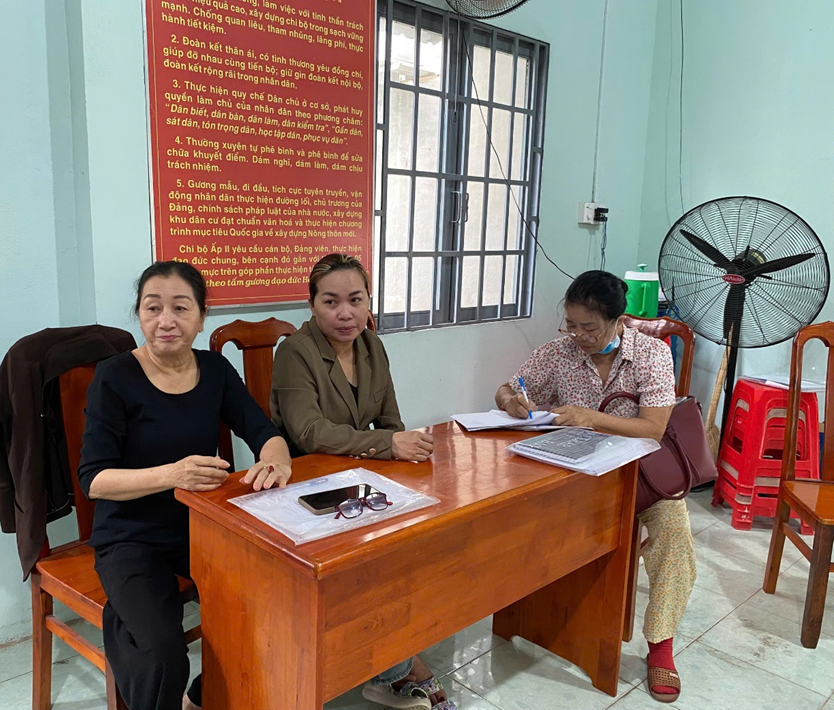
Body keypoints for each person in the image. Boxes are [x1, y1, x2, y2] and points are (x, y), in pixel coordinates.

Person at [78, 261, 292, 710]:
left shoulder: (215, 370)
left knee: (278, 607)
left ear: (201, 316)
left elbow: (264, 432)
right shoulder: (115, 376)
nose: (166, 320)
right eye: (153, 307)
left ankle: (201, 698)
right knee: (161, 653)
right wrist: (173, 475)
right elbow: (94, 479)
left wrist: (276, 462)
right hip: (130, 536)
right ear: (139, 314)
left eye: (180, 307)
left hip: (204, 525)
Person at [494, 270, 695, 704]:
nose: (578, 336)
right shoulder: (558, 352)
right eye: (570, 324)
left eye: (589, 327)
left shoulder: (651, 354)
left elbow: (653, 428)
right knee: (516, 515)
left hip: (640, 476)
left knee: (675, 537)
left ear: (617, 320)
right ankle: (532, 615)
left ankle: (661, 645)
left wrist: (591, 418)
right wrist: (511, 400)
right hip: (573, 477)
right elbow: (508, 387)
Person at [270, 254, 453, 710]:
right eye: (330, 302)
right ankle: (396, 667)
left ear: (369, 301)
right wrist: (388, 445)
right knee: (372, 568)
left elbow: (391, 420)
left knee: (421, 538)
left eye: (355, 300)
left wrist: (401, 455)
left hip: (361, 478)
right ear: (312, 305)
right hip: (307, 489)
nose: (345, 313)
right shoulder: (295, 351)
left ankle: (386, 657)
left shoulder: (372, 345)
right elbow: (309, 432)